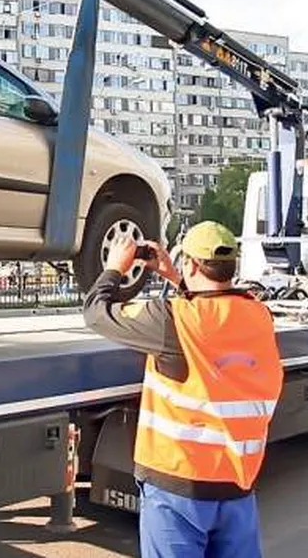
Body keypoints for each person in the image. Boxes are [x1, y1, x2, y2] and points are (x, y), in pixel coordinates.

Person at [83, 221, 283, 558]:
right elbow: (214, 308)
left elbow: (96, 313)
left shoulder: (172, 319)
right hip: (237, 485)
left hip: (178, 487)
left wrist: (115, 267)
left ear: (190, 263)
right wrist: (174, 277)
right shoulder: (258, 315)